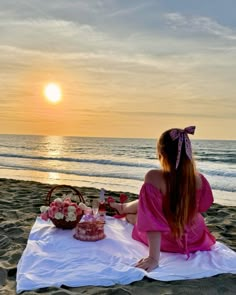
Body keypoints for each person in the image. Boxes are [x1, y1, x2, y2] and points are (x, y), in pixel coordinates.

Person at [108, 126, 216, 272]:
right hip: (195, 237)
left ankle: (124, 210)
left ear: (161, 153)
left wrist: (153, 258)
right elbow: (202, 207)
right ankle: (122, 207)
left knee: (137, 217)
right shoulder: (199, 179)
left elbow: (152, 221)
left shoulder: (154, 177)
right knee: (148, 203)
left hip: (170, 240)